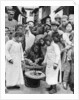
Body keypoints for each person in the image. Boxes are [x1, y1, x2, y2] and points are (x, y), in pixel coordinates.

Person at [62, 22, 74, 90]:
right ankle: (65, 82)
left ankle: (72, 83)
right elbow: (67, 42)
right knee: (67, 69)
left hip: (74, 53)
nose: (69, 28)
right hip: (67, 53)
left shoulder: (74, 33)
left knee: (73, 70)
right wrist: (72, 45)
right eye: (67, 26)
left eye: (70, 26)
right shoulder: (64, 34)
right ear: (65, 27)